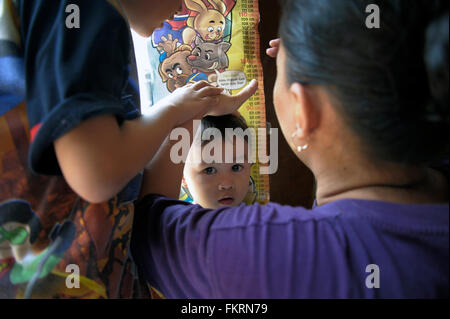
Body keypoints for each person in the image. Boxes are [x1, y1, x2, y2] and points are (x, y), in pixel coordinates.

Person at [130, 0, 449, 298]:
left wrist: (187, 110)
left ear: (303, 109)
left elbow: (145, 222)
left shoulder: (261, 251)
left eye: (280, 74)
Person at [0, 0, 256, 298]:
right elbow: (98, 173)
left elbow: (142, 200)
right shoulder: (83, 10)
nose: (186, 5)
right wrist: (174, 109)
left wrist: (193, 108)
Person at [181, 114, 254, 209]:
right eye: (209, 170)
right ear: (182, 178)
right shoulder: (180, 220)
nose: (226, 185)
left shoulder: (256, 219)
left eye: (236, 167)